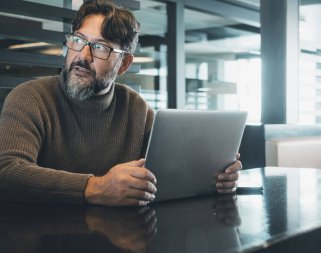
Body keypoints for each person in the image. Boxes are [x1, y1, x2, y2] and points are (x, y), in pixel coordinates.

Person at [0, 0, 241, 206]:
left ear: (124, 64)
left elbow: (170, 173)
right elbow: (6, 171)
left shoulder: (135, 109)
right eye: (78, 41)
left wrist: (215, 176)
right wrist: (95, 187)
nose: (83, 56)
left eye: (100, 47)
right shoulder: (31, 97)